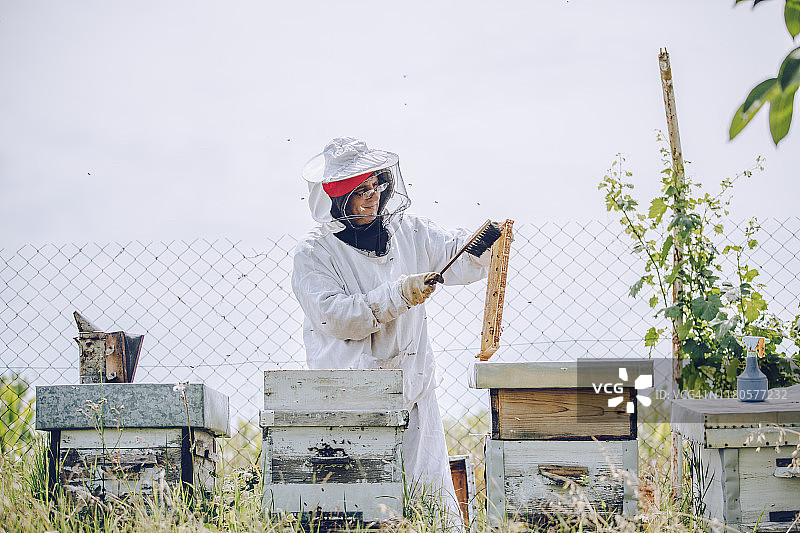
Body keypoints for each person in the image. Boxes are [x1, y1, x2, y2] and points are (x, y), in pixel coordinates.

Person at [291, 137, 496, 520]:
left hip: (413, 386)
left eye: (376, 186)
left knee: (430, 497)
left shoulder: (409, 232)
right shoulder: (313, 254)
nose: (372, 197)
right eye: (360, 191)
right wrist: (398, 293)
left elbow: (457, 256)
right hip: (351, 396)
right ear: (338, 200)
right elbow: (335, 316)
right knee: (362, 509)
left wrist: (487, 244)